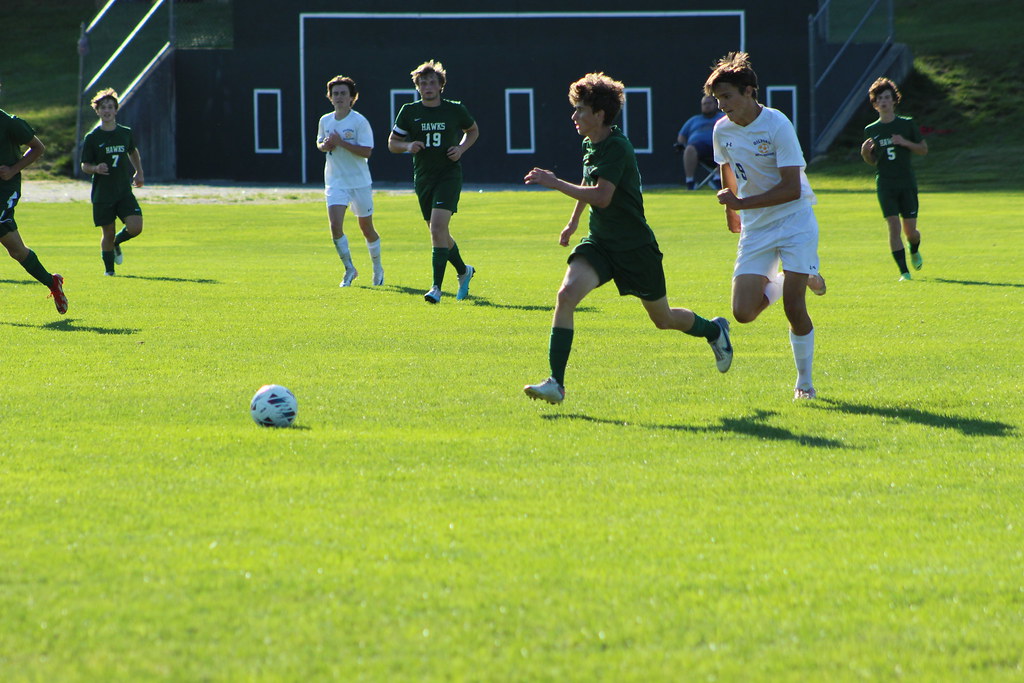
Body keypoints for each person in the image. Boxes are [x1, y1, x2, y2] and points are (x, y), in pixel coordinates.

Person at [522, 72, 732, 405]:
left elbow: (603, 196)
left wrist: (555, 182)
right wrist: (573, 222)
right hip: (601, 244)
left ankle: (714, 331)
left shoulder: (618, 147)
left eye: (580, 110)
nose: (574, 116)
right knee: (565, 296)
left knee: (663, 319)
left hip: (635, 249)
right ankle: (556, 384)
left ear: (600, 115)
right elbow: (588, 179)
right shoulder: (589, 142)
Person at [705, 52, 826, 400]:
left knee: (794, 307)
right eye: (717, 99)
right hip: (756, 226)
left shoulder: (777, 125)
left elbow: (791, 187)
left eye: (726, 96)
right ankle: (796, 275)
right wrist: (733, 214)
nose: (721, 105)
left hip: (794, 219)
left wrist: (742, 204)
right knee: (742, 313)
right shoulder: (722, 129)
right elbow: (726, 167)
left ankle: (804, 382)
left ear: (748, 92)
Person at [388, 60, 479, 303]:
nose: (427, 86)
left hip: (448, 175)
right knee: (439, 232)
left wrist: (460, 149)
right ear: (417, 87)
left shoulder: (455, 109)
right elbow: (392, 143)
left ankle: (436, 288)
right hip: (424, 178)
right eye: (423, 83)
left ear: (441, 86)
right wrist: (408, 145)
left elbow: (473, 131)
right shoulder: (409, 111)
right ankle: (464, 271)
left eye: (432, 82)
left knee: (437, 229)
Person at [0, 81, 68, 314]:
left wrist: (13, 169)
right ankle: (53, 282)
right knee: (17, 251)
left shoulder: (11, 123)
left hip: (4, 190)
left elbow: (38, 148)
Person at [316, 75, 383, 287]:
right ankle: (349, 269)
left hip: (359, 182)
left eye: (343, 93)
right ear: (330, 97)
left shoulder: (359, 121)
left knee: (366, 228)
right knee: (335, 226)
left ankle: (378, 268)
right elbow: (319, 143)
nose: (339, 97)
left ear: (352, 97)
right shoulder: (325, 120)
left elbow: (367, 151)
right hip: (335, 182)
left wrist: (341, 142)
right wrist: (325, 145)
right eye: (335, 94)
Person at [860, 77, 928, 281]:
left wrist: (905, 142)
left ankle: (914, 248)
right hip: (886, 184)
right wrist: (865, 154)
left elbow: (923, 150)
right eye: (880, 98)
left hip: (906, 183)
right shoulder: (871, 130)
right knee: (893, 225)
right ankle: (904, 272)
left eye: (887, 97)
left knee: (911, 231)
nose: (884, 101)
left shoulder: (906, 124)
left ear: (894, 100)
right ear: (874, 103)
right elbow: (874, 161)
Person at [79, 88, 144, 276]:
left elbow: (132, 151)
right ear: (97, 111)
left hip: (123, 191)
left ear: (116, 110)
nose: (106, 111)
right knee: (107, 232)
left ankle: (117, 242)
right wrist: (95, 168)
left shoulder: (125, 133)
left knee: (136, 227)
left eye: (110, 107)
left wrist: (139, 172)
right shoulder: (92, 137)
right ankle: (109, 272)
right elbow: (85, 165)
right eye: (103, 107)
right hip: (103, 193)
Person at [675, 94, 724, 189]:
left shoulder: (723, 117)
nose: (707, 105)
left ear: (716, 104)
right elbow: (682, 135)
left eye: (709, 103)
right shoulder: (694, 120)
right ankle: (690, 181)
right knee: (689, 149)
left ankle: (718, 179)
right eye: (704, 104)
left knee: (722, 145)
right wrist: (681, 144)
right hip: (699, 149)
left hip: (718, 146)